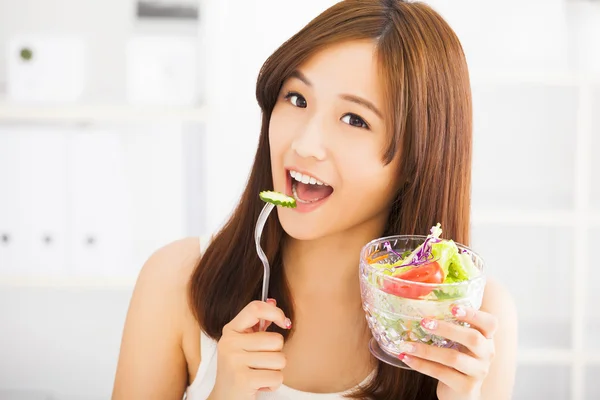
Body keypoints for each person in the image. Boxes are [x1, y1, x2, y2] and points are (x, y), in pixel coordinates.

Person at [112, 0, 518, 399]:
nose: (305, 144)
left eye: (354, 120)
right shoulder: (175, 281)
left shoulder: (473, 320)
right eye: (297, 99)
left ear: (417, 159)